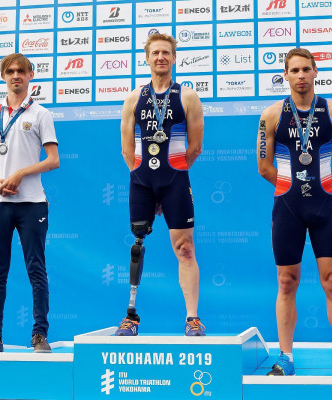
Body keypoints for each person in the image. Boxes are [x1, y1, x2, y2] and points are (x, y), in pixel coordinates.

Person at [257, 48, 332, 376]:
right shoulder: (271, 115)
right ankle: (285, 357)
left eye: (306, 69)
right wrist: (290, 185)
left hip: (323, 207)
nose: (301, 75)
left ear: (315, 72)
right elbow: (263, 166)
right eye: (294, 70)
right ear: (285, 76)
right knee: (286, 282)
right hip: (288, 207)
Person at [115, 33, 205, 336]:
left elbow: (195, 147)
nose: (161, 57)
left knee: (185, 248)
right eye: (155, 53)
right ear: (147, 58)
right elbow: (127, 149)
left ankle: (192, 319)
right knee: (137, 244)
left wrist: (169, 178)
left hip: (175, 179)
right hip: (142, 181)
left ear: (174, 58)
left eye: (166, 52)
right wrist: (147, 182)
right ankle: (130, 316)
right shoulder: (134, 98)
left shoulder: (187, 97)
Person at [0, 53, 59, 352]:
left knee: (36, 268)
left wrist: (21, 173)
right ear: (3, 76)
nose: (15, 76)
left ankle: (39, 335)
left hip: (32, 203)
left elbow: (53, 160)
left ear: (30, 75)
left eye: (21, 71)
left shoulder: (41, 114)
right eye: (10, 71)